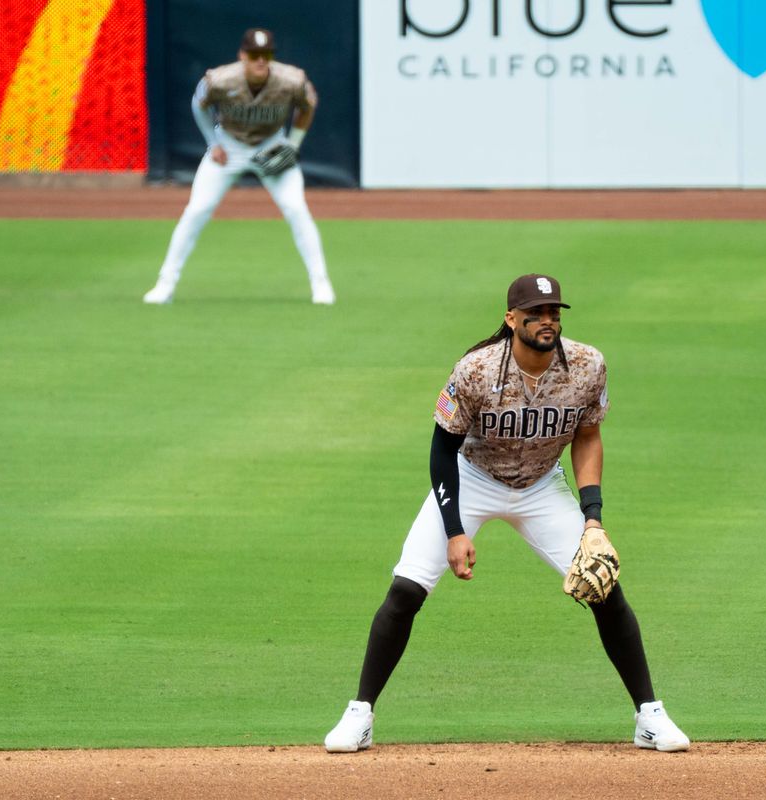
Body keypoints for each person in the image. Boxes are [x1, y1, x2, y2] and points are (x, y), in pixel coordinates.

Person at [323, 274, 690, 753]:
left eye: (554, 312)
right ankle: (360, 715)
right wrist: (454, 531)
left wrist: (593, 519)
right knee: (406, 588)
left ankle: (650, 716)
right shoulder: (475, 370)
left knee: (603, 586)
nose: (547, 321)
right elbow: (441, 451)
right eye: (536, 313)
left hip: (541, 487)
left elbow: (587, 437)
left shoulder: (587, 365)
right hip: (471, 479)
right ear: (511, 319)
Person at [143, 27, 335, 305]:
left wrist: (293, 143)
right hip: (229, 145)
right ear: (242, 55)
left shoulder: (291, 80)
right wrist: (213, 142)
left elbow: (308, 105)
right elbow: (199, 104)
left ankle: (321, 285)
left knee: (296, 209)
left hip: (271, 144)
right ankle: (165, 285)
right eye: (254, 54)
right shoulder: (219, 79)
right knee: (197, 210)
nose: (260, 60)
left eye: (266, 54)